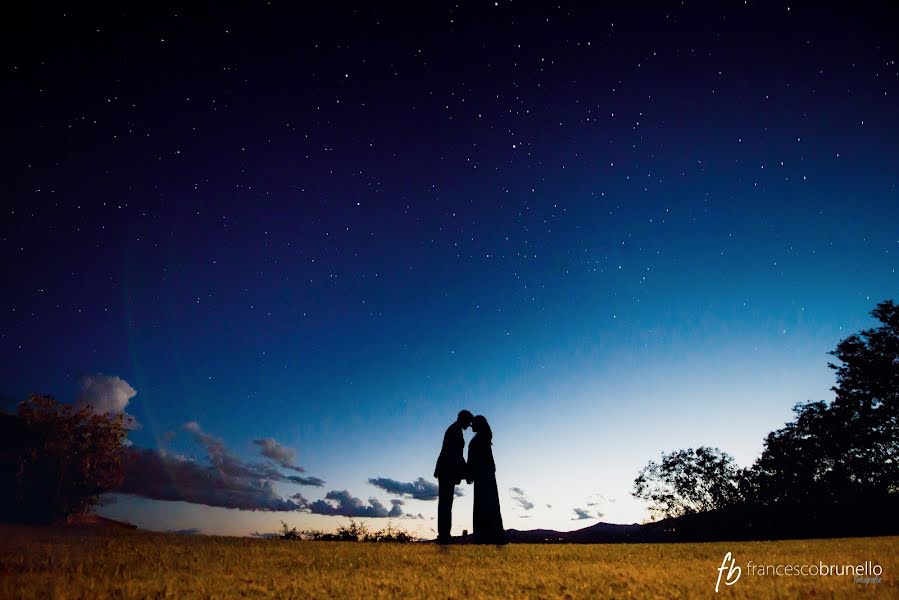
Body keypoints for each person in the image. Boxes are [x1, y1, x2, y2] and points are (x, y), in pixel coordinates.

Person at [433, 409, 473, 544]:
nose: (469, 425)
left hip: (446, 471)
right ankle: (444, 535)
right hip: (446, 471)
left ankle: (444, 534)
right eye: (468, 422)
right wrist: (467, 472)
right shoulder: (455, 431)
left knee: (446, 503)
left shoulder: (456, 429)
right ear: (463, 419)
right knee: (445, 503)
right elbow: (456, 456)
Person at [468, 415, 507, 544]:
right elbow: (491, 463)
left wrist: (470, 475)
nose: (471, 426)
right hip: (488, 478)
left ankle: (483, 537)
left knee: (482, 507)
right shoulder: (484, 439)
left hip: (482, 479)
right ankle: (494, 536)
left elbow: (472, 462)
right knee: (491, 507)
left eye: (473, 423)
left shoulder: (477, 441)